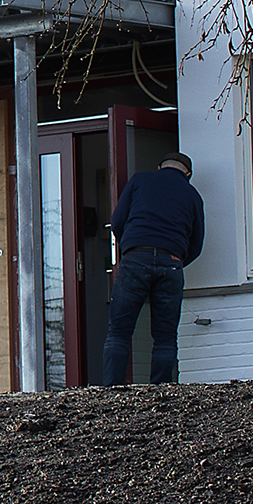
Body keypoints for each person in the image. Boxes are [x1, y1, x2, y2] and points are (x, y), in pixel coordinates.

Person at [99, 148, 205, 386]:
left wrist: (131, 247)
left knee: (119, 331)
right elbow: (196, 244)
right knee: (165, 336)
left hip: (136, 258)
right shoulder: (193, 195)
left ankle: (112, 389)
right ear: (188, 174)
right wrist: (176, 260)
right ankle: (161, 390)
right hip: (171, 263)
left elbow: (117, 221)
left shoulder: (139, 180)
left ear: (160, 167)